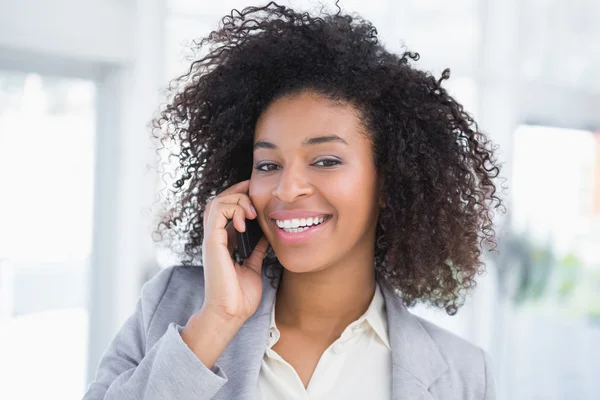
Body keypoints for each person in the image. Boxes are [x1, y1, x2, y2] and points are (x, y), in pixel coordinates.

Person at [83, 2, 504, 399]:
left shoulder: (462, 375)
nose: (287, 189)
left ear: (389, 184)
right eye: (268, 165)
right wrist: (217, 322)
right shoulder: (170, 305)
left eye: (325, 160)